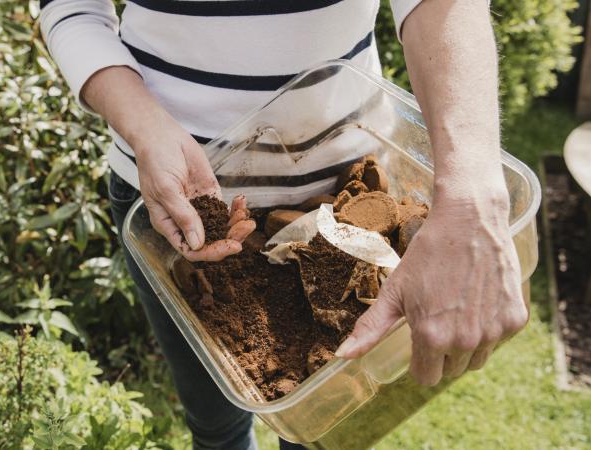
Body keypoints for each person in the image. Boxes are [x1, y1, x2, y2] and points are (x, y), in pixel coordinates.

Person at [39, 0, 529, 448]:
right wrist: (145, 127)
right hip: (176, 210)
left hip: (349, 205)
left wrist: (471, 201)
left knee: (323, 434)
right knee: (216, 427)